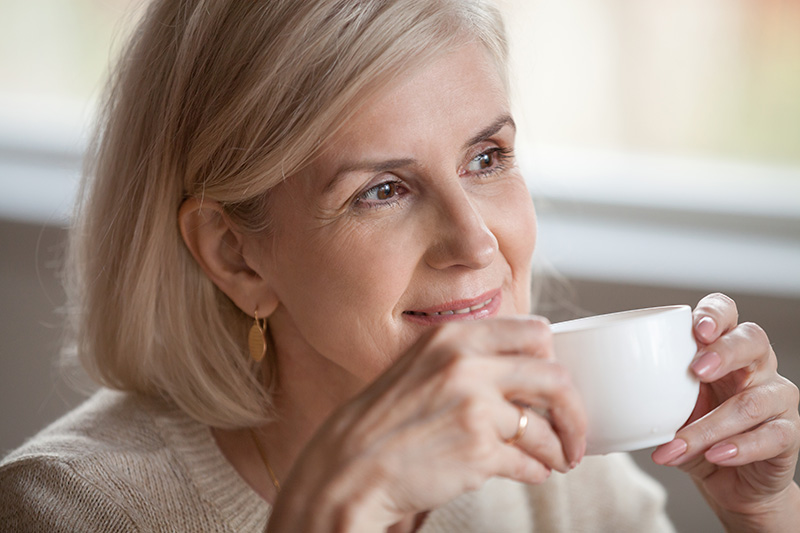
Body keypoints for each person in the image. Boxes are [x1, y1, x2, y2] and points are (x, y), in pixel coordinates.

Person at [1, 0, 799, 531]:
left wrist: (763, 514)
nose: (477, 242)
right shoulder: (68, 509)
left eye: (487, 157)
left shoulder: (557, 474)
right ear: (236, 254)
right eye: (383, 189)